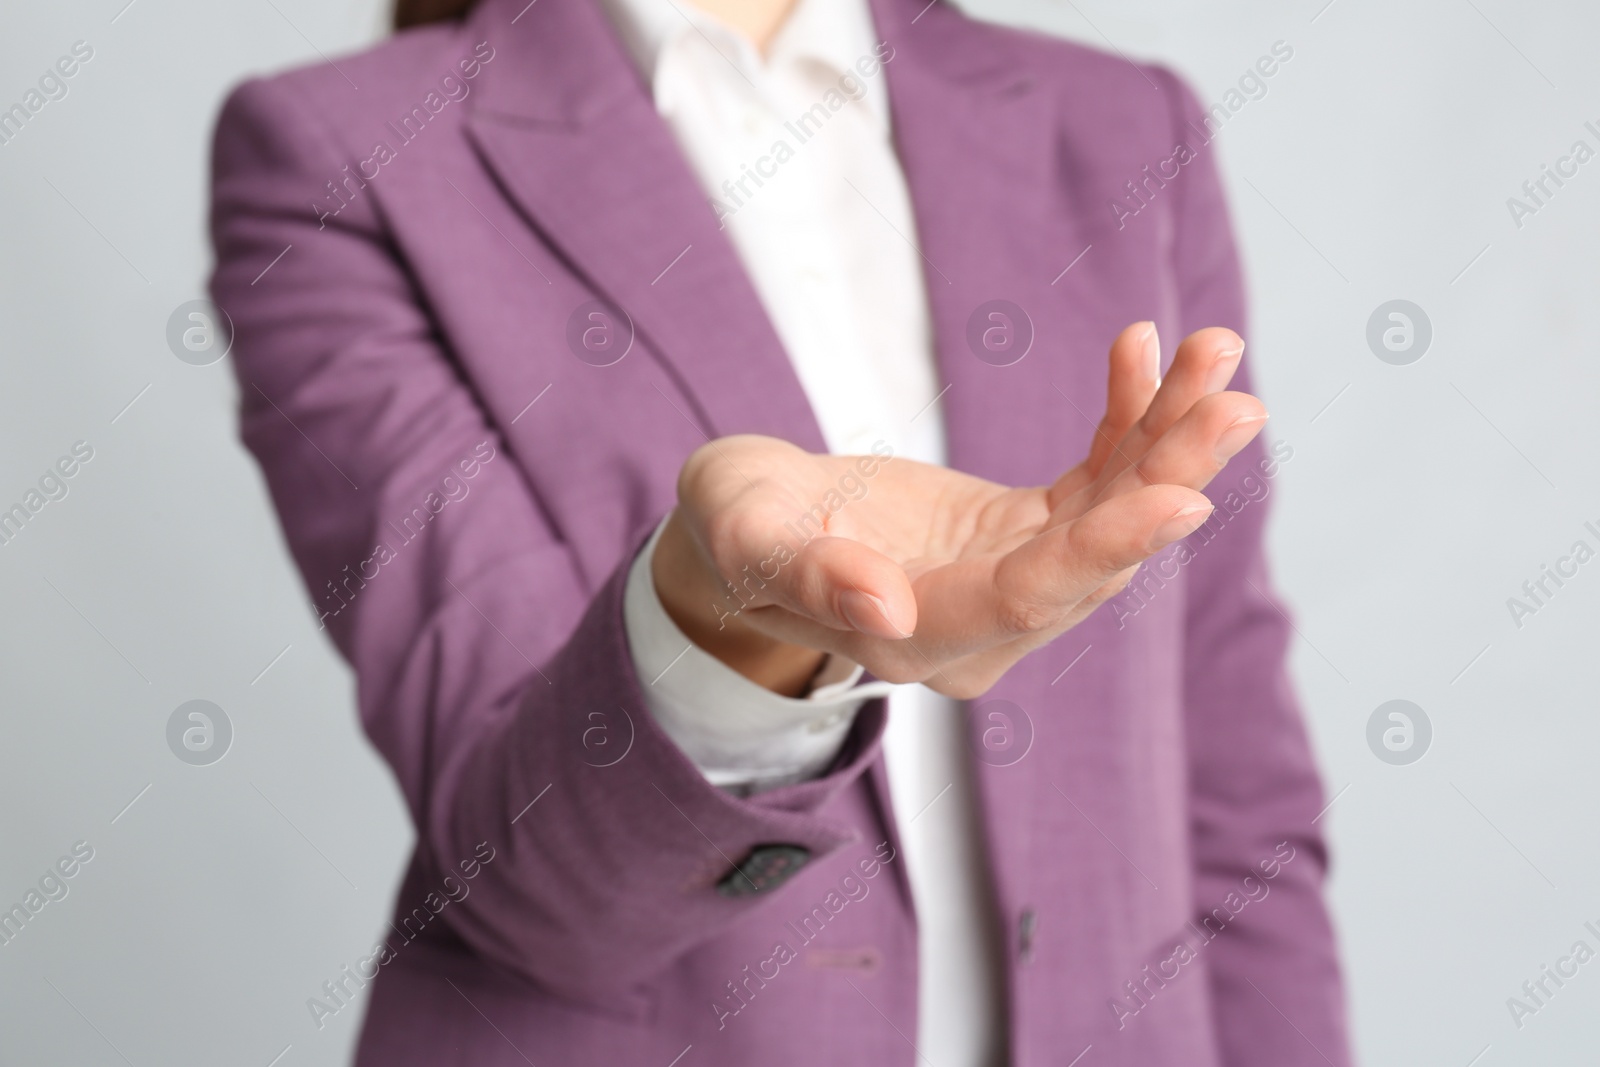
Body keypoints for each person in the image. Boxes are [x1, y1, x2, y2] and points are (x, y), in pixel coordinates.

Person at [208, 0, 1349, 1062]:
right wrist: (728, 624)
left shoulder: (1122, 124)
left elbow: (1236, 792)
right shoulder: (341, 155)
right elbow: (535, 887)